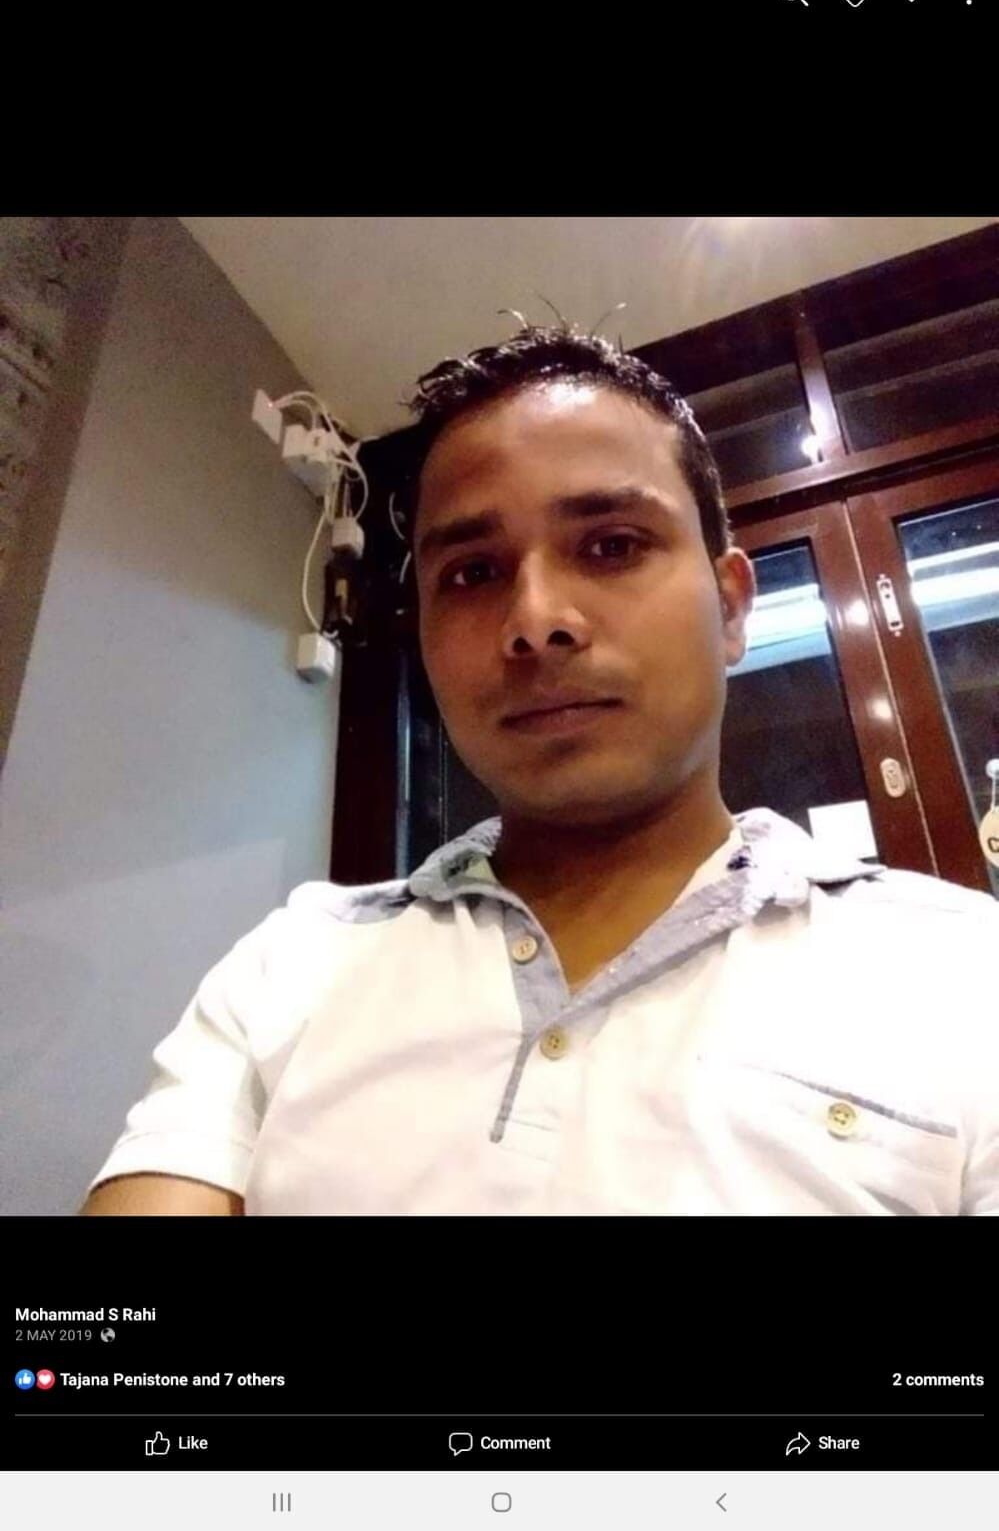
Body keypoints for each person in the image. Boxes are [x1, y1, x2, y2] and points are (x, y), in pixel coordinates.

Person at [81, 321, 998, 1217]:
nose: (535, 619)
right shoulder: (292, 964)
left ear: (729, 607)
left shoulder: (960, 972)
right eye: (472, 573)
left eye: (611, 545)